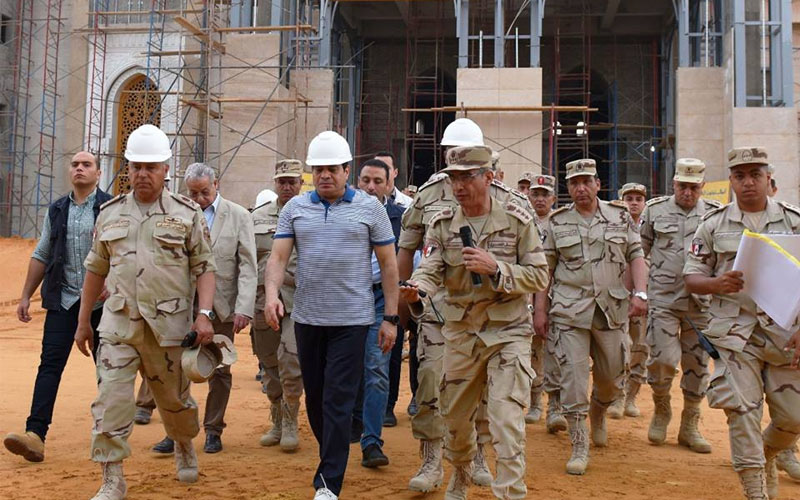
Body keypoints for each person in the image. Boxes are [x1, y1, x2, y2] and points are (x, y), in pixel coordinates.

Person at [73, 124, 216, 500]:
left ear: (166, 169)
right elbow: (95, 269)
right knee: (111, 401)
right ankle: (112, 478)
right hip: (118, 326)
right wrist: (83, 321)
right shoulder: (110, 213)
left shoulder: (187, 214)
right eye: (136, 166)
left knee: (174, 400)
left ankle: (182, 442)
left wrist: (203, 314)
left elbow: (204, 267)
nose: (142, 174)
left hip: (169, 328)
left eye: (151, 167)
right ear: (128, 168)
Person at [400, 145, 549, 499]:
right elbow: (431, 267)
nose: (459, 185)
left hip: (507, 332)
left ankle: (510, 492)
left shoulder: (517, 219)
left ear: (489, 177)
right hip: (461, 334)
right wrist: (417, 290)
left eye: (467, 177)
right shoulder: (442, 224)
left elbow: (539, 275)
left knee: (506, 418)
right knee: (454, 419)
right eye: (454, 178)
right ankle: (462, 470)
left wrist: (497, 269)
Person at [264, 130, 399, 500]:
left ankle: (328, 482)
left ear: (346, 170)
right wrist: (272, 296)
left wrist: (390, 318)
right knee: (316, 399)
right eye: (319, 169)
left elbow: (389, 266)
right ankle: (332, 454)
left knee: (337, 398)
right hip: (308, 318)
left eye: (332, 169)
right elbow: (277, 257)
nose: (325, 175)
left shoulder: (370, 209)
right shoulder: (295, 209)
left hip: (352, 321)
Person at [684, 147, 800, 500]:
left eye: (755, 175)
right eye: (740, 176)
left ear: (768, 178)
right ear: (731, 181)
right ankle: (755, 491)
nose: (748, 182)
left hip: (785, 334)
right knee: (742, 411)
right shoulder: (713, 224)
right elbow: (692, 277)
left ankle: (768, 453)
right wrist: (717, 283)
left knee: (793, 419)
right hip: (734, 335)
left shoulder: (794, 221)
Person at [538, 158, 648, 476]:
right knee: (573, 379)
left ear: (598, 184)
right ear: (568, 188)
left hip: (610, 310)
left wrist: (640, 293)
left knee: (611, 379)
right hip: (568, 311)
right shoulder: (558, 222)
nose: (581, 188)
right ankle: (579, 443)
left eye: (586, 181)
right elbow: (546, 270)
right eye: (574, 183)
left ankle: (599, 411)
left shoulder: (619, 216)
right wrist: (540, 311)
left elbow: (636, 255)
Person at [3, 152, 112, 463]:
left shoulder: (111, 208)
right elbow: (42, 252)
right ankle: (35, 435)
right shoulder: (57, 209)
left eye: (86, 165)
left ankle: (110, 435)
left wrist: (116, 281)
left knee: (108, 370)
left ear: (98, 173)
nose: (79, 169)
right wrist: (26, 295)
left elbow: (125, 251)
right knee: (49, 366)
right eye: (75, 164)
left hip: (103, 305)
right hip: (63, 301)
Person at [147, 162, 257, 455]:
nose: (198, 199)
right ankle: (176, 431)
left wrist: (243, 307)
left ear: (216, 184)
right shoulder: (176, 215)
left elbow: (248, 265)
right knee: (175, 369)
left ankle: (213, 430)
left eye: (204, 192)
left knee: (219, 370)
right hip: (181, 306)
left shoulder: (239, 216)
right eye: (193, 193)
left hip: (222, 307)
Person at [638, 159, 718, 453]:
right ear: (673, 184)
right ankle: (661, 408)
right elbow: (639, 252)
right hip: (664, 299)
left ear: (703, 186)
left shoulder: (714, 215)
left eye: (694, 187)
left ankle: (690, 424)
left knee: (698, 365)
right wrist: (639, 292)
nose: (688, 192)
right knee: (662, 359)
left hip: (701, 304)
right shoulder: (654, 211)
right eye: (683, 186)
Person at [352, 158, 405, 467]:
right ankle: (348, 423)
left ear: (389, 185)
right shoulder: (342, 214)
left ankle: (371, 441)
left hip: (381, 299)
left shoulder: (401, 218)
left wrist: (393, 314)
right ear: (357, 181)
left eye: (377, 182)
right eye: (365, 181)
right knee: (344, 367)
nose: (371, 187)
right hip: (345, 298)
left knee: (376, 367)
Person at [252, 159, 305, 453]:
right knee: (269, 360)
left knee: (292, 358)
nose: (286, 187)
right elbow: (246, 260)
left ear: (300, 183)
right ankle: (276, 418)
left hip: (299, 300)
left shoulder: (311, 214)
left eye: (292, 182)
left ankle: (290, 420)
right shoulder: (257, 217)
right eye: (282, 182)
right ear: (275, 183)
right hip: (264, 300)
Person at [607, 182, 650, 419]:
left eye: (638, 199)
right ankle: (618, 395)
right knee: (619, 346)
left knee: (641, 347)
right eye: (629, 198)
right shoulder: (613, 224)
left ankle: (632, 396)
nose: (633, 203)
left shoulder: (650, 228)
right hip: (617, 296)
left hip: (643, 298)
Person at [524, 174, 562, 427]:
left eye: (545, 194)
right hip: (527, 294)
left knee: (556, 352)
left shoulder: (560, 223)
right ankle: (535, 402)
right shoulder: (522, 222)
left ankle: (555, 407)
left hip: (557, 296)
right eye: (535, 194)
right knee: (532, 352)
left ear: (553, 198)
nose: (540, 199)